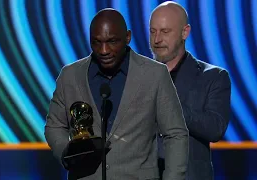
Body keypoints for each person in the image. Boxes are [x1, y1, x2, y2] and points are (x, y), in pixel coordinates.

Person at [45, 8, 188, 180]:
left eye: (112, 41)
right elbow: (54, 126)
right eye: (97, 42)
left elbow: (175, 134)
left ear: (128, 37)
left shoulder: (155, 75)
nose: (104, 50)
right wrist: (67, 154)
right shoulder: (70, 76)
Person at [149, 2, 231, 180]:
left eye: (165, 31)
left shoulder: (213, 77)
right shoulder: (138, 76)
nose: (157, 39)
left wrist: (168, 106)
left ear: (185, 32)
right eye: (153, 31)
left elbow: (215, 128)